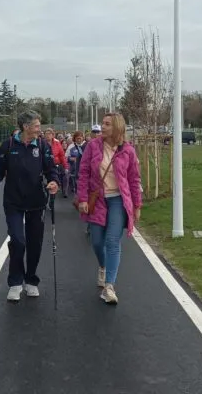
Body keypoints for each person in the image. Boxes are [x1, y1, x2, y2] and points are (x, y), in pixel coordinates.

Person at [0, 111, 59, 302]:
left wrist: (53, 182)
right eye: (36, 125)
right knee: (18, 241)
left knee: (35, 243)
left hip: (36, 202)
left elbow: (51, 169)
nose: (39, 129)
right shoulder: (8, 145)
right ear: (25, 126)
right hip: (13, 201)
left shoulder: (42, 146)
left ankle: (31, 280)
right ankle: (15, 282)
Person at [76, 112, 142, 305]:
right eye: (102, 124)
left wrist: (137, 205)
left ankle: (109, 286)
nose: (102, 127)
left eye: (107, 124)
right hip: (98, 199)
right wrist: (82, 198)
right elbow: (84, 172)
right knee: (97, 241)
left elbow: (134, 179)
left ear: (117, 127)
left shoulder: (128, 150)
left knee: (113, 241)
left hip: (118, 200)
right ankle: (103, 266)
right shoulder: (93, 146)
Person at [44, 128, 68, 198]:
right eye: (46, 134)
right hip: (46, 166)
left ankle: (63, 192)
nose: (47, 135)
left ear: (52, 135)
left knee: (64, 177)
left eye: (49, 134)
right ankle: (47, 197)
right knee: (47, 183)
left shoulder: (57, 144)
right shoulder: (42, 143)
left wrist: (66, 166)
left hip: (56, 165)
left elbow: (62, 156)